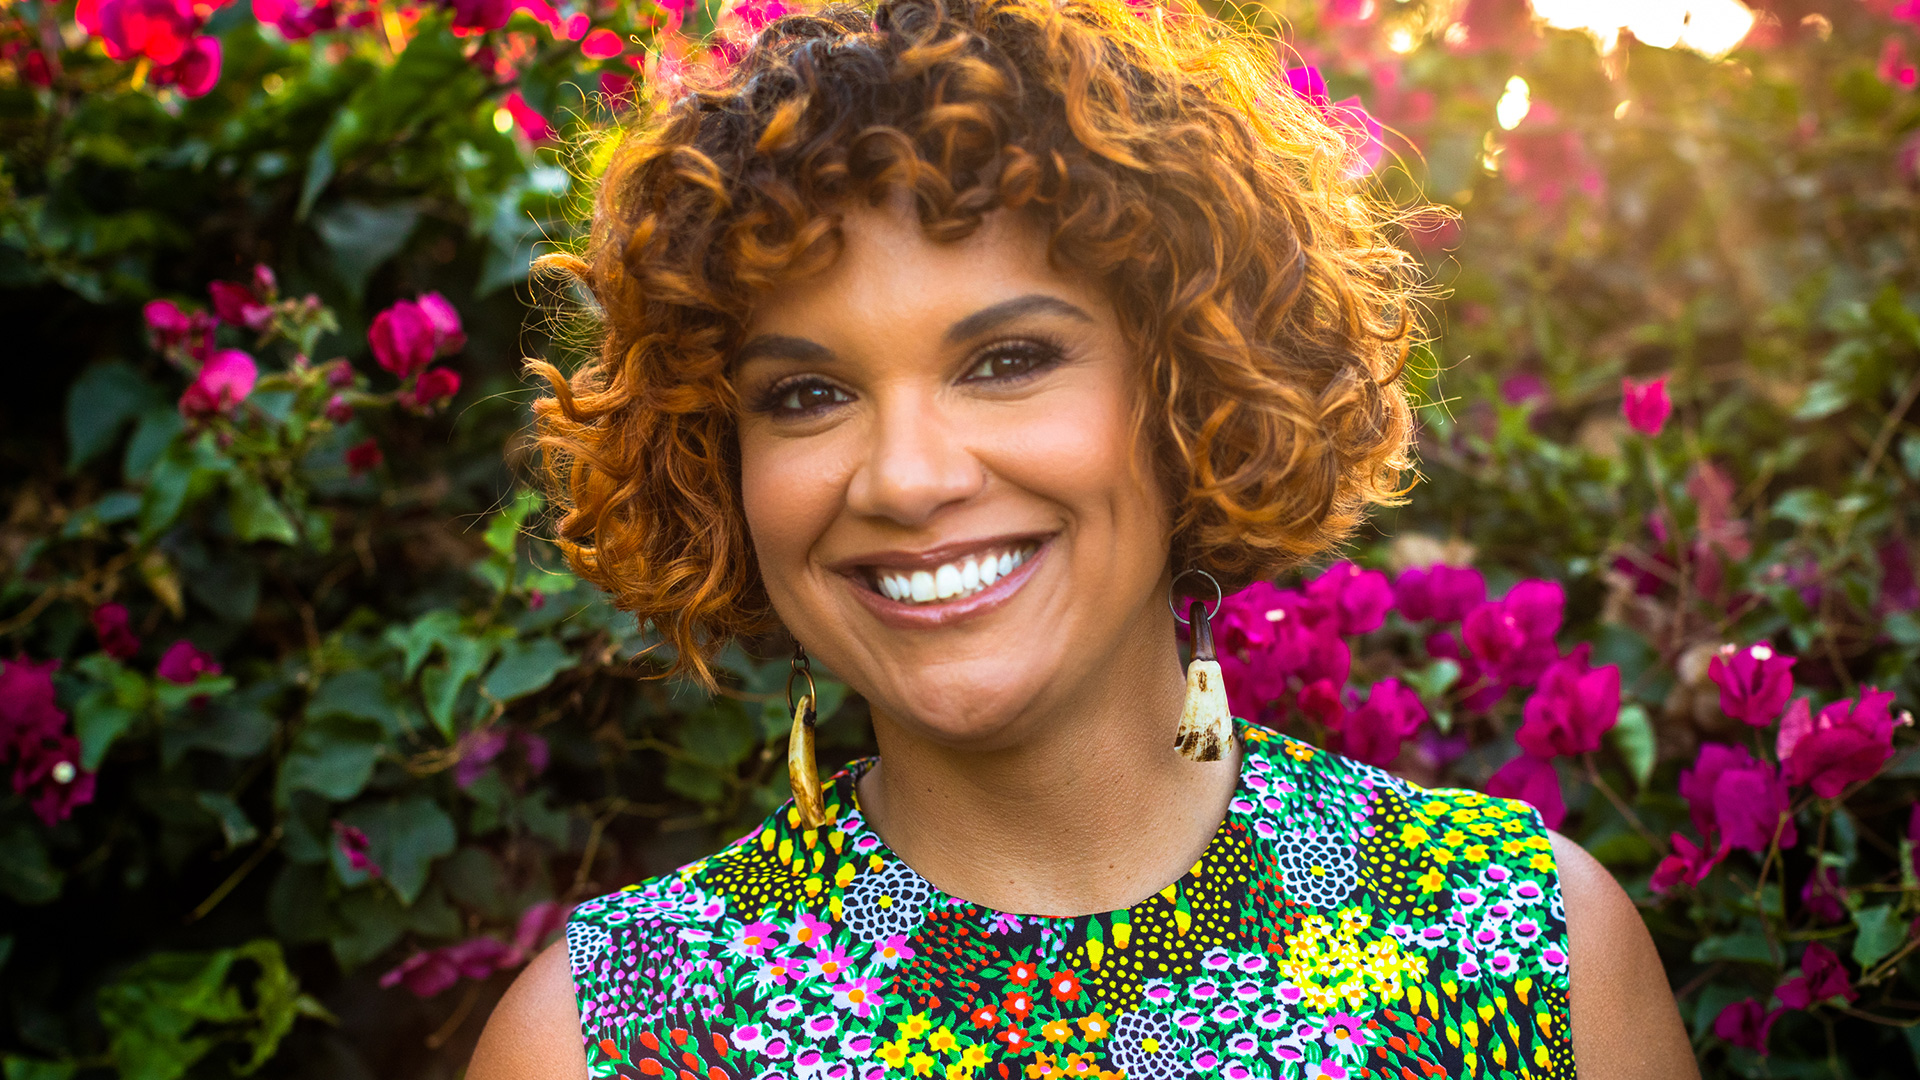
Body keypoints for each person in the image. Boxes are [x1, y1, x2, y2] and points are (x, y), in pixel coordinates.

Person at [470, 0, 1698, 1076]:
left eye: (1007, 361)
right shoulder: (605, 1039)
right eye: (806, 395)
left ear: (1191, 394)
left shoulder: (1523, 949)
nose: (907, 476)